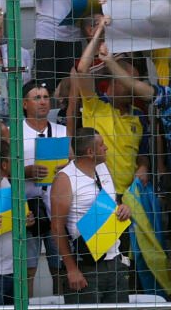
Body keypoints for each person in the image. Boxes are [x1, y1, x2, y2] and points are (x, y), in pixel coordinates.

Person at [49, 128, 131, 302]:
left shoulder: (102, 168)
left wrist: (123, 209)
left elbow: (112, 204)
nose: (106, 148)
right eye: (102, 145)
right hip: (86, 266)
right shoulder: (65, 179)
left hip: (115, 260)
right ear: (90, 152)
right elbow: (56, 227)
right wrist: (71, 269)